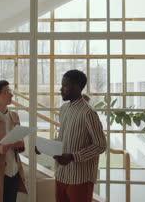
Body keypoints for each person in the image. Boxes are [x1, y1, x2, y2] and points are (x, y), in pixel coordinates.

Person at [53, 70, 107, 202]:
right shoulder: (64, 109)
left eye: (65, 85)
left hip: (80, 178)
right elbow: (63, 138)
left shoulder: (88, 113)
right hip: (61, 175)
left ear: (77, 87)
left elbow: (100, 145)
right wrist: (45, 147)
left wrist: (73, 157)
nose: (61, 89)